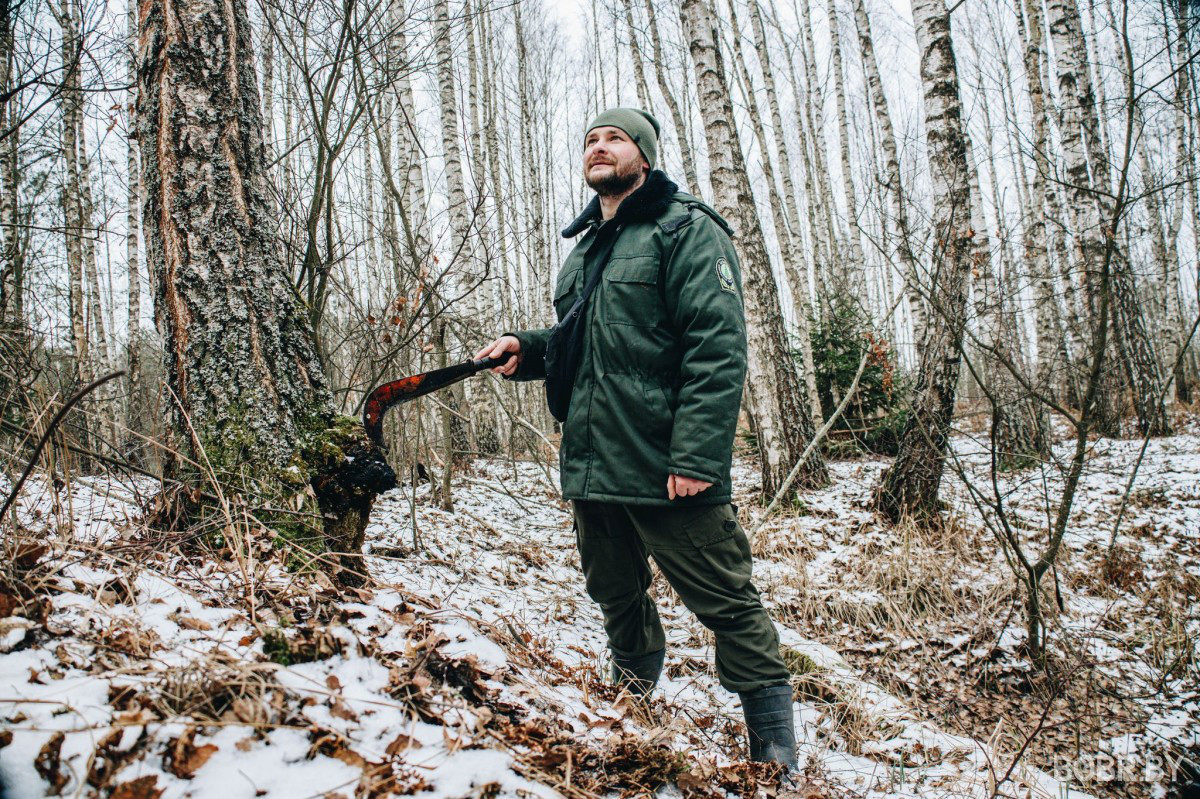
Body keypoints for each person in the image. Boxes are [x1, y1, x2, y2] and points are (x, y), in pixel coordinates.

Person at [474, 108, 796, 769]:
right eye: (590, 139)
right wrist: (526, 348)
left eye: (613, 138)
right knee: (615, 592)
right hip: (593, 462)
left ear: (642, 156)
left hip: (663, 461)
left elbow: (718, 345)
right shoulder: (587, 249)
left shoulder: (685, 230)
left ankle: (777, 755)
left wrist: (697, 454)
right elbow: (578, 344)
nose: (599, 147)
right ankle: (630, 708)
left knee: (727, 600)